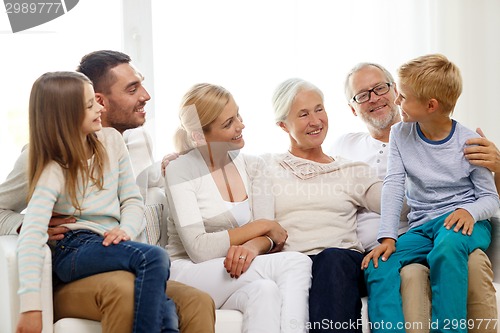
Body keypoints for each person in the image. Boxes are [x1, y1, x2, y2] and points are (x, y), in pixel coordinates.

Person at [0, 50, 215, 333]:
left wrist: (177, 165)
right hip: (76, 262)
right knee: (134, 282)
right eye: (132, 88)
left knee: (194, 302)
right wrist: (27, 224)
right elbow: (20, 224)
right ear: (96, 101)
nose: (146, 96)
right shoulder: (44, 160)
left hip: (118, 254)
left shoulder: (120, 143)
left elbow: (134, 199)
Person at [332, 61, 499, 332]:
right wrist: (387, 238)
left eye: (402, 96)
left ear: (430, 106)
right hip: (422, 228)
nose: (396, 100)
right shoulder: (400, 133)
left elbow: (490, 198)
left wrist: (470, 212)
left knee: (447, 248)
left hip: (464, 223)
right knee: (378, 262)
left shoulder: (468, 142)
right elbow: (394, 184)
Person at [16, 71, 178, 333]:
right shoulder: (53, 169)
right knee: (154, 257)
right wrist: (31, 306)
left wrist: (125, 229)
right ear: (65, 116)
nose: (100, 108)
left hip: (107, 242)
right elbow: (31, 236)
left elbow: (132, 200)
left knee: (167, 309)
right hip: (73, 249)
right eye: (90, 105)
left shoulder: (111, 141)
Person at [164, 83, 312, 333]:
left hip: (232, 271)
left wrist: (254, 244)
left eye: (238, 115)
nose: (240, 125)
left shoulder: (255, 167)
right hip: (188, 273)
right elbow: (199, 248)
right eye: (228, 123)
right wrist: (262, 227)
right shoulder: (180, 170)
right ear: (200, 136)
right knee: (295, 263)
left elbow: (271, 238)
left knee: (265, 291)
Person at [266, 78, 386, 333]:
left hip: (342, 264)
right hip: (292, 266)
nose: (315, 120)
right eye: (303, 114)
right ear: (282, 125)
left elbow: (400, 205)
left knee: (331, 259)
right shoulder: (265, 167)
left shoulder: (352, 170)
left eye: (319, 109)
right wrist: (180, 157)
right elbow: (218, 174)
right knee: (299, 268)